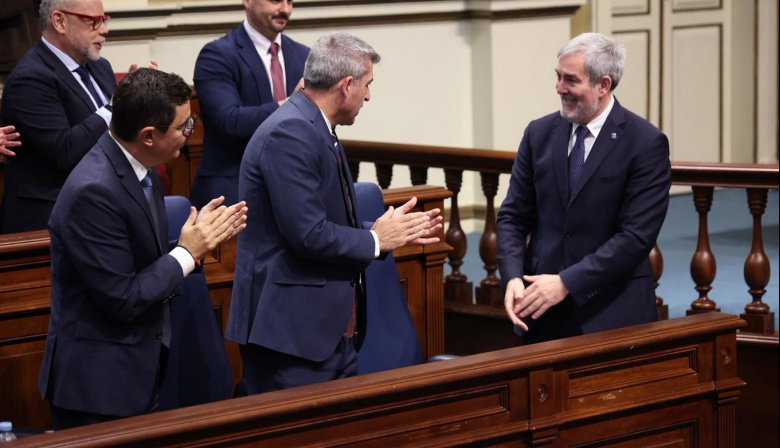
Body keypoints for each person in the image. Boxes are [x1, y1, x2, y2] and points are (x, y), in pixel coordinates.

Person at [229, 32, 443, 394]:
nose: (369, 96)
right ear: (346, 86)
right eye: (367, 85)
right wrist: (375, 239)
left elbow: (323, 220)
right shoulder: (291, 132)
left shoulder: (315, 125)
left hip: (326, 336)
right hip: (291, 338)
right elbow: (308, 234)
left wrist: (380, 230)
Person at [38, 68, 248, 430]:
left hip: (136, 369)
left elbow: (135, 256)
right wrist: (186, 253)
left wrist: (190, 244)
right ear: (149, 135)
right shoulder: (94, 191)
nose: (188, 134)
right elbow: (122, 296)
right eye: (184, 126)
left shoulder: (140, 165)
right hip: (97, 387)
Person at [496, 32, 672, 344]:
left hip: (611, 313)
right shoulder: (539, 133)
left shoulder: (645, 143)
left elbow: (635, 237)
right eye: (558, 76)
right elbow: (512, 216)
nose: (559, 88)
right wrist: (511, 276)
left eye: (570, 80)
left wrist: (566, 282)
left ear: (603, 84)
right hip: (539, 313)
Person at [0, 0, 156, 234]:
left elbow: (115, 137)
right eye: (93, 22)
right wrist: (115, 106)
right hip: (51, 222)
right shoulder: (31, 78)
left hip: (105, 206)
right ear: (60, 22)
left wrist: (136, 103)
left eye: (104, 20)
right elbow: (65, 151)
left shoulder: (100, 67)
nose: (104, 30)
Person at [188, 0, 309, 209]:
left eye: (290, 1)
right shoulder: (217, 55)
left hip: (293, 187)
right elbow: (230, 122)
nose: (285, 9)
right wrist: (291, 104)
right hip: (233, 189)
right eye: (275, 1)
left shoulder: (303, 56)